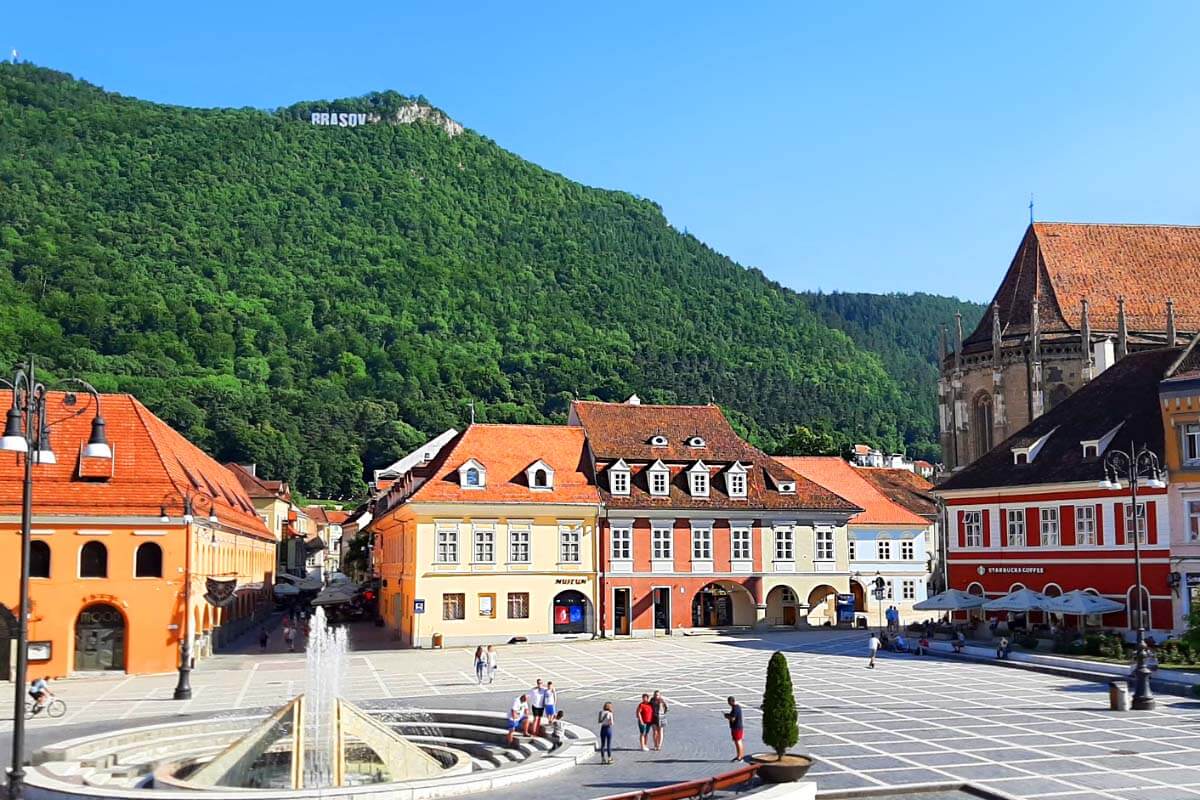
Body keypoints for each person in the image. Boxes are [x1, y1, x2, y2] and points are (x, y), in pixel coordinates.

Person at [724, 696, 745, 761]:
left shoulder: (735, 708)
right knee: (738, 741)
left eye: (728, 702)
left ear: (730, 702)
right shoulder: (737, 707)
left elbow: (733, 718)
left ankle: (740, 756)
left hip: (737, 727)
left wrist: (727, 716)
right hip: (737, 727)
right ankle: (739, 755)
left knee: (738, 741)